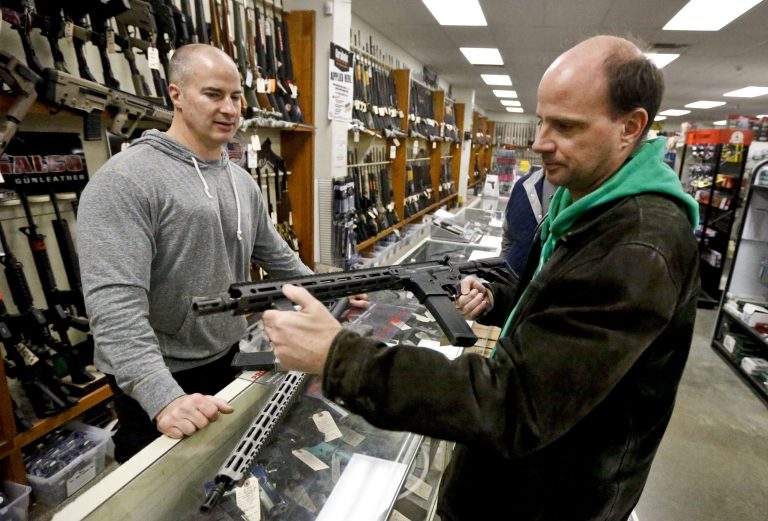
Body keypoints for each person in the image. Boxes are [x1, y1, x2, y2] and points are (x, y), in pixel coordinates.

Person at [261, 35, 701, 521]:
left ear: (630, 127)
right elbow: (558, 308)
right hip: (519, 481)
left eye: (565, 126)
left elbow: (514, 404)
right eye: (541, 120)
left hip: (547, 502)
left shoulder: (637, 245)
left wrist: (340, 357)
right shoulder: (587, 203)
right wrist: (498, 298)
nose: (539, 142)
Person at [78, 44, 352, 462]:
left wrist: (333, 291)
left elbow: (279, 259)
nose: (229, 108)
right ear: (176, 94)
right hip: (159, 372)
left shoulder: (240, 181)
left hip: (229, 355)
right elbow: (114, 309)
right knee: (161, 480)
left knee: (223, 465)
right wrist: (163, 397)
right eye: (213, 94)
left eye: (236, 96)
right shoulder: (124, 181)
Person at [500, 165, 555, 274]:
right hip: (511, 281)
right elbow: (508, 237)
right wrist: (499, 277)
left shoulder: (583, 197)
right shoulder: (523, 185)